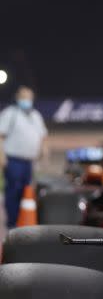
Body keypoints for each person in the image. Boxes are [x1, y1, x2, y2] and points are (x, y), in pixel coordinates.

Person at [0, 86, 49, 229]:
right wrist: (1, 156)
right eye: (23, 97)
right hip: (14, 160)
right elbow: (1, 136)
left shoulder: (36, 115)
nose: (26, 100)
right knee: (13, 190)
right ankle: (12, 222)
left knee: (26, 191)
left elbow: (42, 137)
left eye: (29, 97)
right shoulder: (10, 114)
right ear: (17, 98)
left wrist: (44, 153)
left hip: (29, 161)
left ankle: (23, 220)